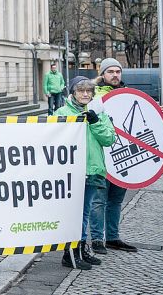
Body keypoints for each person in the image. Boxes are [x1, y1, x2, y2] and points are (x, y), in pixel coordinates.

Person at [55, 76, 115, 270]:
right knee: (74, 214)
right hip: (70, 171)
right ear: (73, 92)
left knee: (85, 212)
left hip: (92, 169)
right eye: (81, 91)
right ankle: (70, 253)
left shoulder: (98, 111)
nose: (86, 94)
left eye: (89, 91)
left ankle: (80, 249)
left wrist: (95, 122)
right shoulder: (62, 112)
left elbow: (109, 138)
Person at [90, 58, 137, 254]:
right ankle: (97, 239)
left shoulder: (127, 95)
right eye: (111, 72)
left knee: (116, 200)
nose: (115, 75)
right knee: (99, 200)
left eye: (118, 71)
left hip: (121, 158)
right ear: (103, 74)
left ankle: (113, 237)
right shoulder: (93, 96)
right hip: (102, 158)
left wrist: (158, 113)